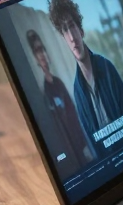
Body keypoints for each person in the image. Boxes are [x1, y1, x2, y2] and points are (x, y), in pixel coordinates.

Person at [47, 0, 123, 160]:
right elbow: (93, 143)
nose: (71, 36)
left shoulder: (106, 68)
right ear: (63, 39)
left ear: (81, 30)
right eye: (65, 30)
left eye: (72, 26)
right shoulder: (77, 90)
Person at [25, 28, 91, 175]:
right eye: (37, 51)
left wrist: (84, 144)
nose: (42, 54)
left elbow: (73, 113)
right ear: (34, 58)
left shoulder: (58, 83)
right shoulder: (44, 92)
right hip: (69, 155)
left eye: (42, 49)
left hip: (80, 148)